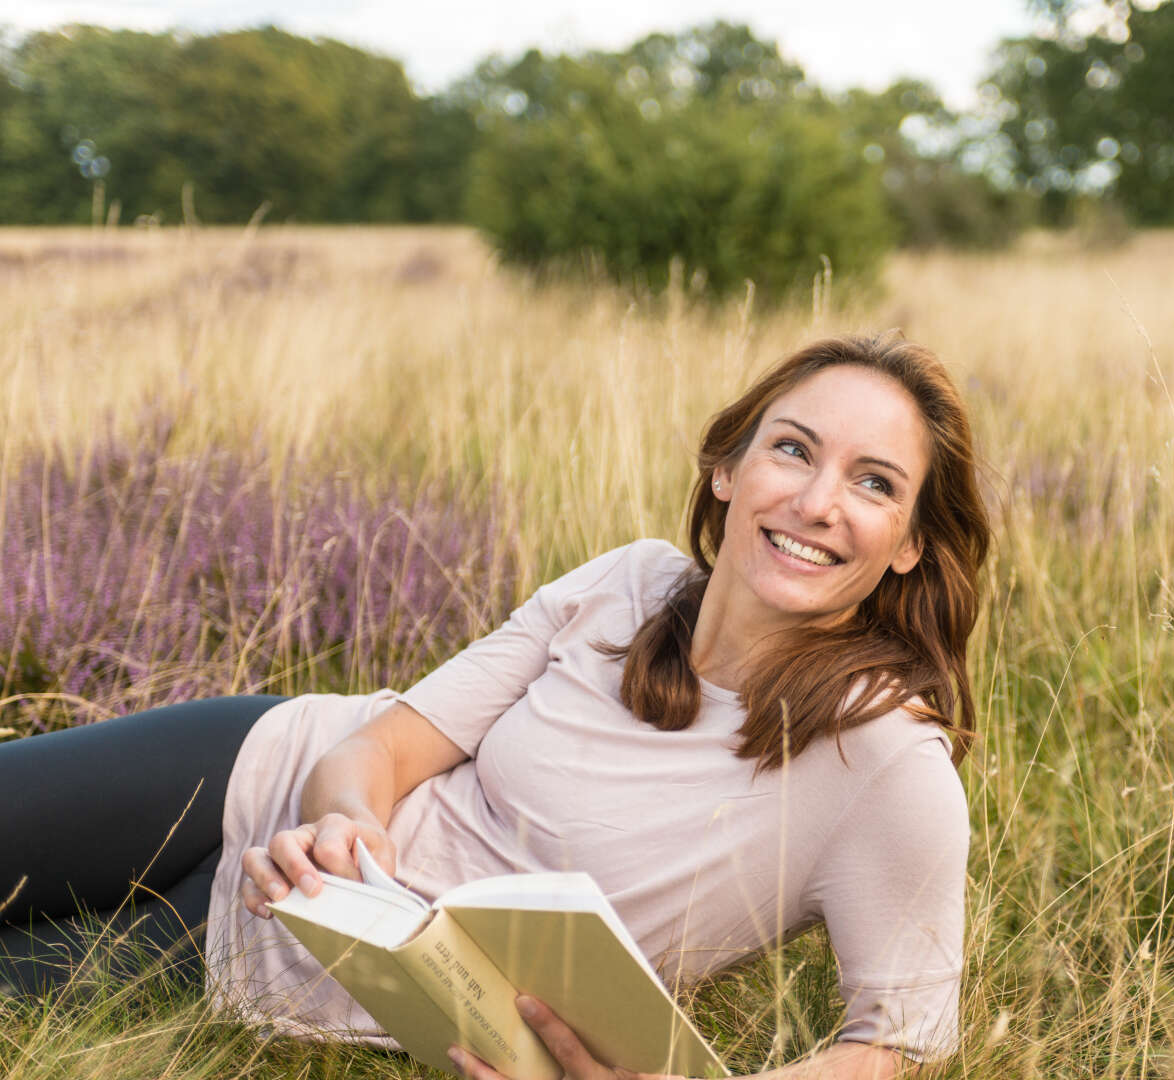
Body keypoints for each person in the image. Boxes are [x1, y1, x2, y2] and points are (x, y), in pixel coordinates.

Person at [0, 331, 990, 1080]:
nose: (819, 502)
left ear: (907, 541)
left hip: (295, 955)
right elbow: (381, 749)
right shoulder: (631, 585)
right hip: (244, 770)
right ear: (728, 470)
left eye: (873, 482)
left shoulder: (888, 761)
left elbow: (893, 1044)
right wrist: (340, 829)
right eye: (792, 450)